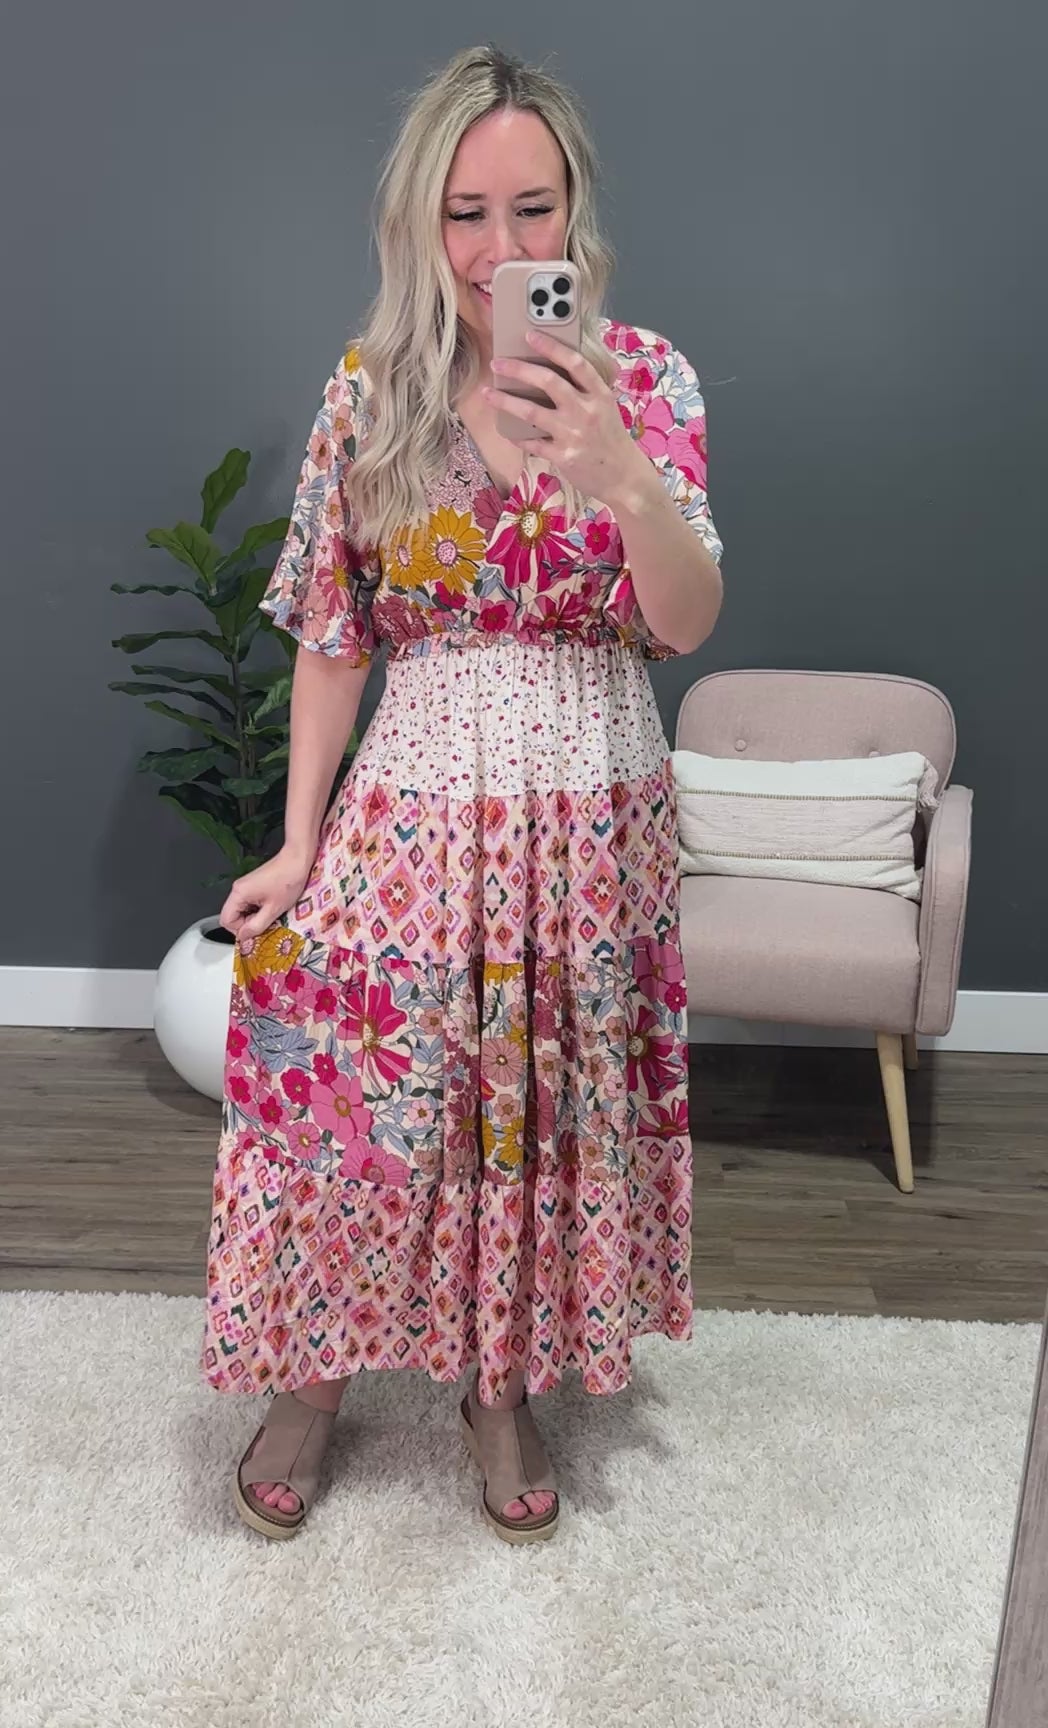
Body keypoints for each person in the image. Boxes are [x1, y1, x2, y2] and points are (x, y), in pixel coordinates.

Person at [201, 43, 724, 1544]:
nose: (502, 247)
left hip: (593, 813)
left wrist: (623, 475)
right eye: (467, 213)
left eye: (532, 207)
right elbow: (331, 633)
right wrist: (299, 841)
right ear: (421, 223)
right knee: (358, 1101)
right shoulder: (371, 393)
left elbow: (687, 621)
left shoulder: (648, 381)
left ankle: (500, 1387)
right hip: (417, 797)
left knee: (538, 1117)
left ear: (577, 211)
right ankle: (312, 1377)